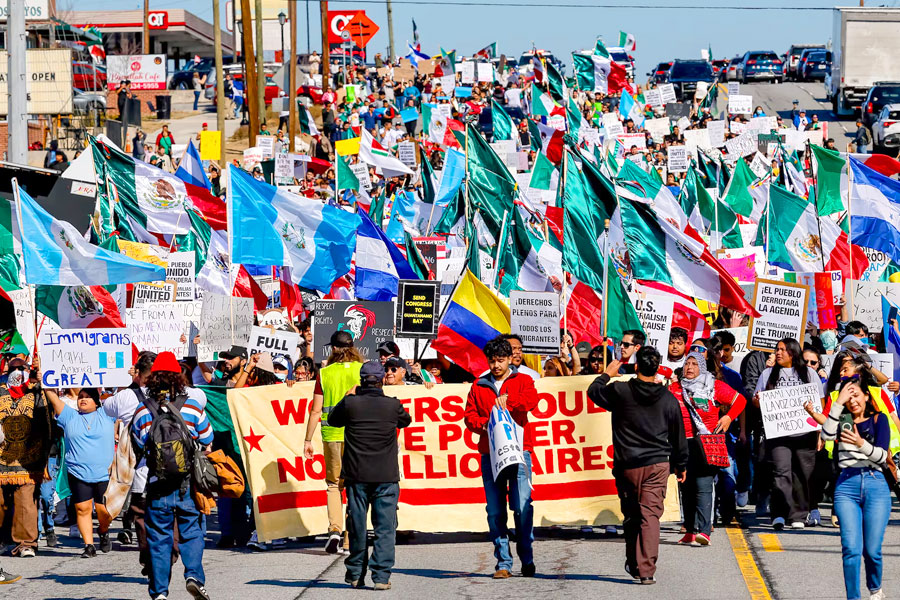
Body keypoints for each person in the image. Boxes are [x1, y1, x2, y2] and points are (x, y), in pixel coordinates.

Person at [587, 347, 688, 584]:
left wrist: (607, 374)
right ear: (658, 368)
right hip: (657, 464)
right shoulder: (668, 398)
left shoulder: (620, 390)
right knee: (649, 516)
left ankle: (635, 563)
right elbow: (678, 435)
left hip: (627, 465)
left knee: (632, 515)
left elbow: (594, 391)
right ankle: (646, 570)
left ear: (635, 366)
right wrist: (681, 464)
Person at [132, 352, 213, 600]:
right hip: (188, 484)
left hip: (157, 485)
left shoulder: (142, 409)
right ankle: (194, 576)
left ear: (152, 378)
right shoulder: (192, 405)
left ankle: (159, 593)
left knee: (159, 540)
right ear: (179, 377)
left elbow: (140, 443)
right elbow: (208, 441)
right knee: (192, 531)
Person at [327, 360, 411, 590]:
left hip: (357, 475)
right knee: (385, 528)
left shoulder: (351, 404)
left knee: (357, 526)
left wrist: (347, 396)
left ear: (361, 381)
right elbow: (406, 420)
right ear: (382, 379)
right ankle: (381, 577)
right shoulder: (392, 405)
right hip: (386, 476)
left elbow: (333, 419)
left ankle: (355, 574)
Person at [463, 336, 539, 579]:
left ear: (510, 360)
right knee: (495, 511)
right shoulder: (479, 385)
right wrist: (484, 425)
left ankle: (526, 557)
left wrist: (510, 401)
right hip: (490, 455)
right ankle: (503, 563)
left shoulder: (523, 379)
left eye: (501, 360)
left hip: (519, 453)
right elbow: (469, 416)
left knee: (522, 507)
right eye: (492, 361)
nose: (496, 365)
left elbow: (532, 402)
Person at [819, 375, 891, 600]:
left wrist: (860, 443)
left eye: (856, 395)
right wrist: (838, 403)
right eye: (848, 397)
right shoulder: (842, 419)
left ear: (867, 396)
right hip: (846, 487)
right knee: (851, 549)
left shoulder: (880, 419)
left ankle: (875, 587)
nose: (853, 401)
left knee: (872, 551)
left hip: (875, 484)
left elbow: (881, 455)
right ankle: (853, 597)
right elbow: (826, 435)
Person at [668, 352, 744, 545]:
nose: (690, 367)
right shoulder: (674, 388)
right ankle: (690, 531)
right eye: (687, 364)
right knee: (686, 486)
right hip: (683, 443)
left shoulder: (714, 386)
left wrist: (727, 417)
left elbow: (740, 401)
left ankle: (704, 531)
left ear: (702, 367)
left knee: (703, 486)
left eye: (694, 364)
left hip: (707, 442)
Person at [753, 338, 825, 530]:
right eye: (777, 349)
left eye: (782, 350)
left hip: (805, 433)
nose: (777, 353)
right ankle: (778, 513)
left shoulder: (809, 373)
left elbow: (820, 401)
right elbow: (756, 402)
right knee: (780, 472)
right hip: (778, 434)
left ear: (792, 352)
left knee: (802, 474)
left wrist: (820, 433)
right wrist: (758, 400)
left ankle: (798, 515)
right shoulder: (767, 373)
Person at [303, 331, 364, 554]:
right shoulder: (362, 370)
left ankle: (335, 530)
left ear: (334, 349)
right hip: (358, 436)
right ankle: (349, 540)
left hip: (331, 435)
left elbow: (316, 410)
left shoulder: (325, 373)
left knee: (333, 485)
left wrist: (308, 439)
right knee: (355, 487)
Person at [41, 386, 115, 558]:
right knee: (82, 508)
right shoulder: (69, 416)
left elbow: (124, 396)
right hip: (77, 472)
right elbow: (53, 397)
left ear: (96, 401)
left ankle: (103, 531)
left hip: (103, 473)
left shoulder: (106, 414)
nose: (83, 399)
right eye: (81, 396)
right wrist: (45, 380)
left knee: (104, 511)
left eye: (88, 397)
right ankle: (89, 545)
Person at [0, 357, 50, 558]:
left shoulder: (36, 391)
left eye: (22, 368)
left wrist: (43, 384)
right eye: (14, 368)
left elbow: (46, 419)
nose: (17, 371)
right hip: (1, 456)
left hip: (29, 457)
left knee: (25, 503)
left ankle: (26, 543)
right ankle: (3, 539)